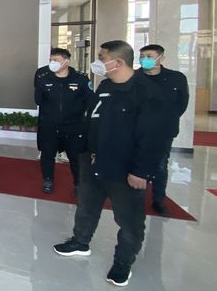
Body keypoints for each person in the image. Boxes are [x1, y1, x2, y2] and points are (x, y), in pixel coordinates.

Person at [54, 40, 171, 287]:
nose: (97, 62)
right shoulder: (105, 85)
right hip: (93, 161)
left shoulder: (147, 92)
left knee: (129, 220)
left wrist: (141, 171)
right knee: (86, 207)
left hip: (125, 168)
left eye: (101, 57)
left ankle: (122, 264)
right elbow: (93, 119)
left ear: (117, 62)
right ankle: (80, 242)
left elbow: (154, 137)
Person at [138, 44, 189, 215]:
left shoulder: (176, 78)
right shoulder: (134, 78)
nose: (144, 59)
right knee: (136, 164)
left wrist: (165, 119)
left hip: (163, 130)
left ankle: (158, 199)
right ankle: (137, 198)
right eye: (142, 56)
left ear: (161, 58)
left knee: (160, 165)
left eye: (149, 56)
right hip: (137, 130)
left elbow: (182, 104)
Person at [34, 48, 92, 194]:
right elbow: (38, 100)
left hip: (73, 126)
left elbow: (89, 101)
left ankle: (79, 184)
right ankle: (48, 180)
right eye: (51, 60)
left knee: (76, 157)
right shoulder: (43, 77)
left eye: (56, 60)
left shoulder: (81, 79)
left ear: (66, 62)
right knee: (47, 155)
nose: (52, 63)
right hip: (49, 125)